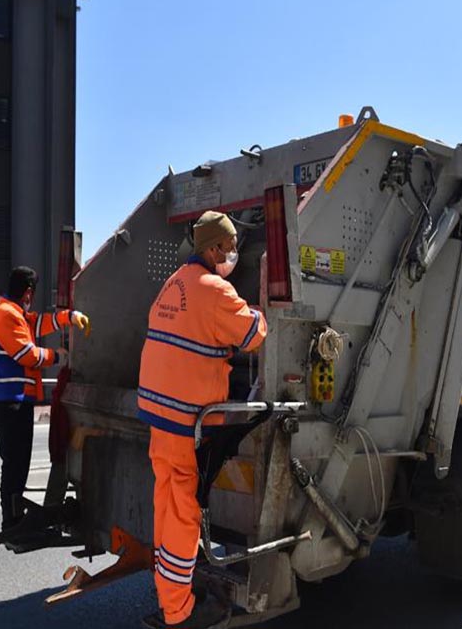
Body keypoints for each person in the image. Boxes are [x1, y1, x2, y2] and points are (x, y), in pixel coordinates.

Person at [138, 211, 267, 628]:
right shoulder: (215, 290)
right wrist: (261, 309)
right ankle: (178, 613)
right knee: (183, 515)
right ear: (212, 248)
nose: (232, 255)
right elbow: (254, 335)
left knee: (166, 508)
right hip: (185, 422)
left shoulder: (174, 282)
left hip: (160, 417)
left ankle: (172, 595)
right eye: (229, 248)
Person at [0, 266, 91, 532]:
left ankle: (15, 515)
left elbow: (38, 323)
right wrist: (58, 356)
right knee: (14, 462)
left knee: (19, 462)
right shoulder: (6, 315)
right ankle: (11, 519)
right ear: (28, 291)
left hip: (16, 401)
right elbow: (27, 355)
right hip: (10, 401)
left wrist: (69, 317)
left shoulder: (15, 313)